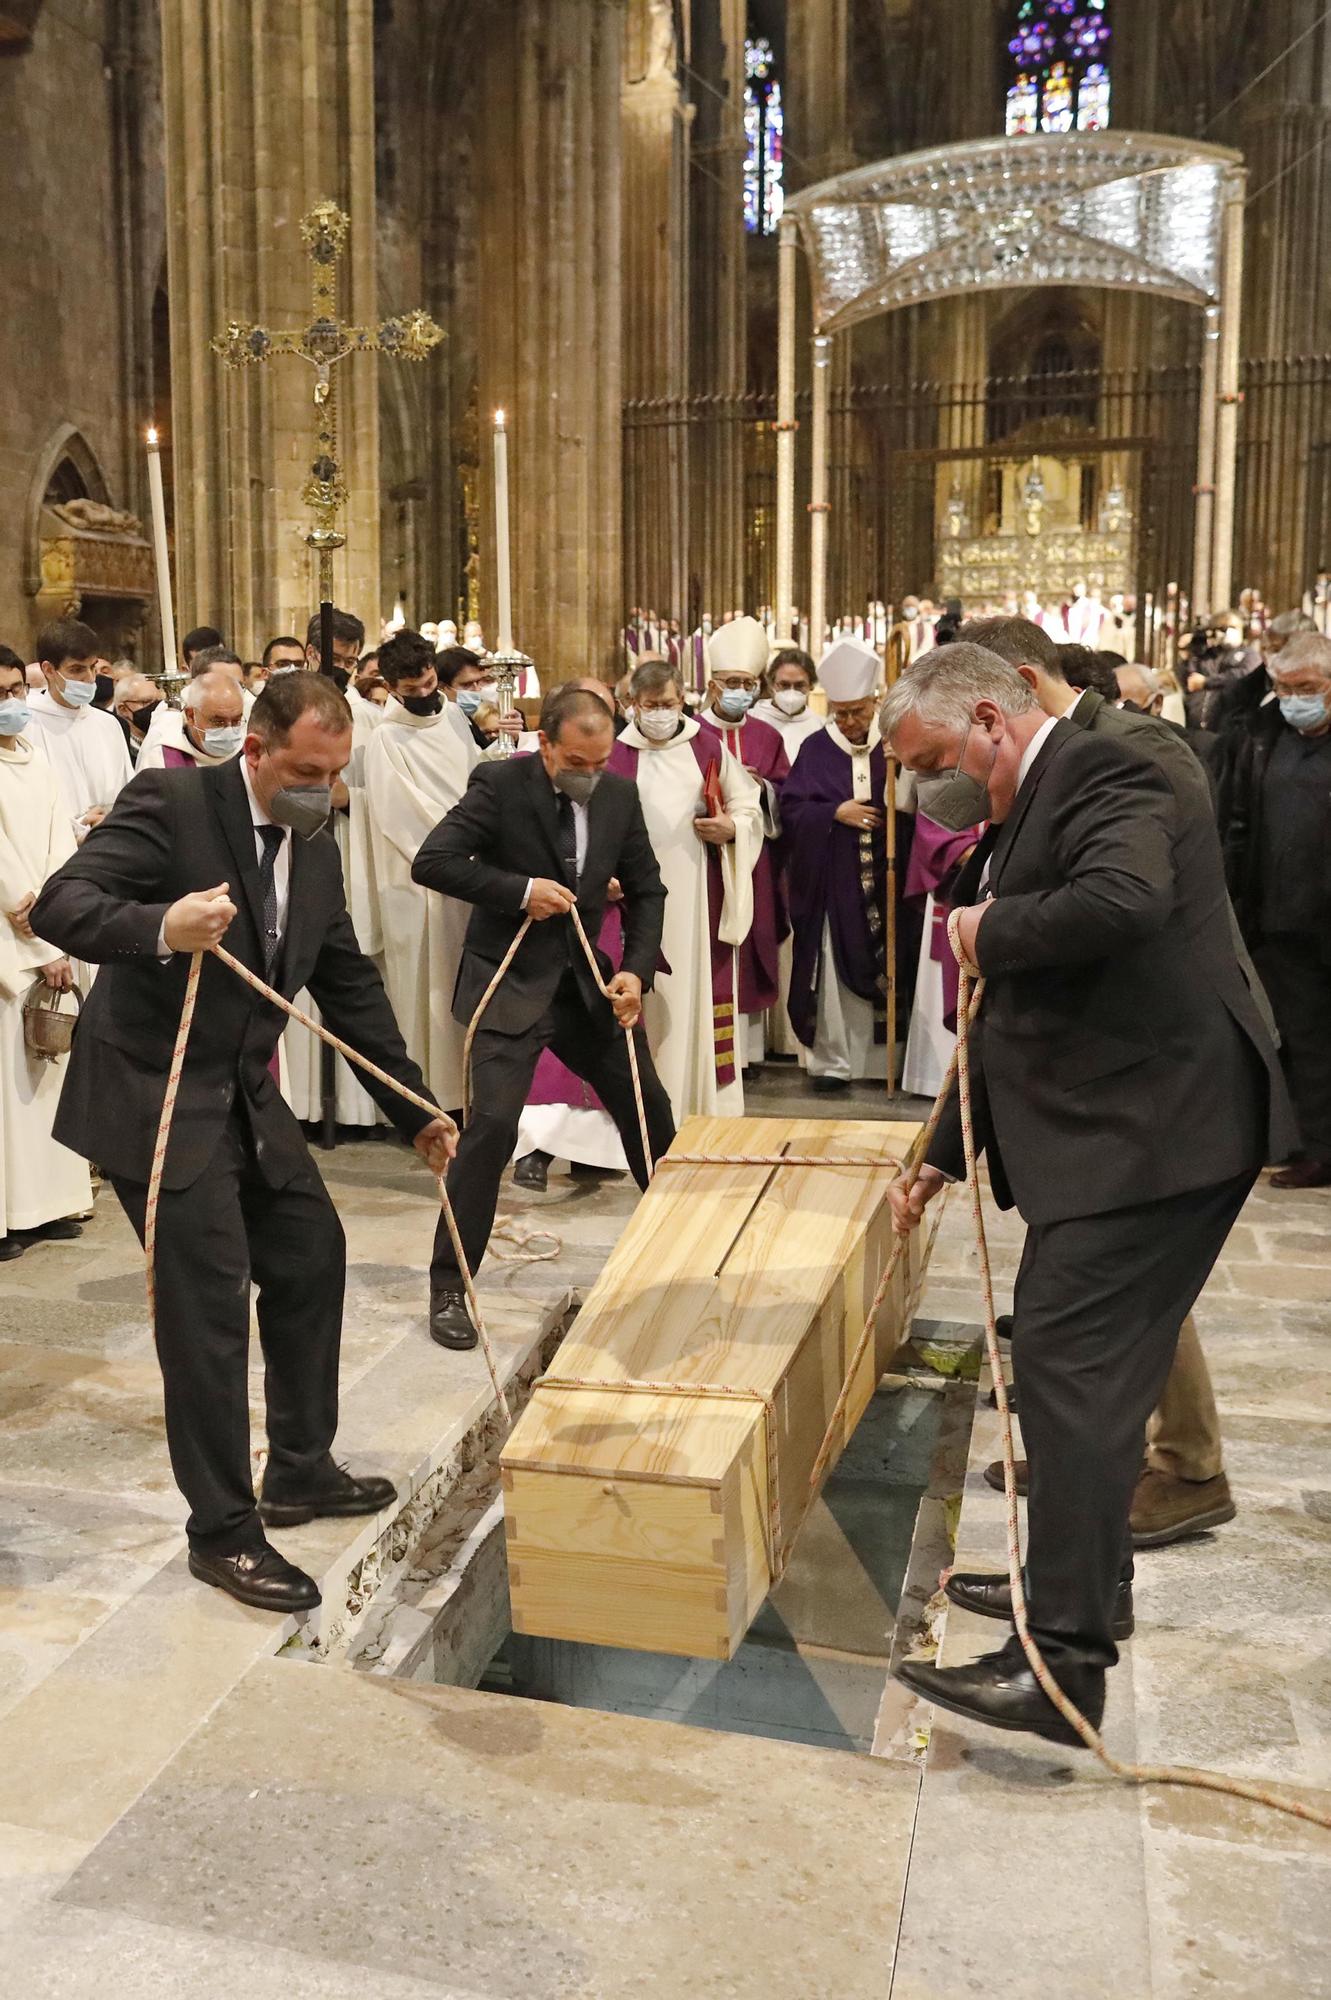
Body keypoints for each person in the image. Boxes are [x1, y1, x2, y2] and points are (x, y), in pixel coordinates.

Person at [881, 644, 1292, 1746]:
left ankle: (1057, 1669)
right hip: (1116, 1125)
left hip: (1155, 1126)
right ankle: (1077, 1591)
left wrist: (979, 927)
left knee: (1066, 1365)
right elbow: (1011, 1012)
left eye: (930, 763)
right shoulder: (1039, 781)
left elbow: (1115, 900)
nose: (930, 794)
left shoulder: (1125, 761)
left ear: (985, 717)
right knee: (1087, 1377)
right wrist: (937, 1148)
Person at [31, 673, 455, 1615]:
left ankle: (300, 1468)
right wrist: (159, 927)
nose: (321, 790)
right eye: (305, 770)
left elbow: (346, 983)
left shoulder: (315, 842)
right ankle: (221, 1533)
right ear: (254, 751)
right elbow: (60, 905)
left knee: (310, 1255)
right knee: (207, 1311)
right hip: (155, 1092)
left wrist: (413, 1106)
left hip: (240, 1095)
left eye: (335, 776)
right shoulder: (172, 801)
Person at [411, 686, 676, 1348]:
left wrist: (634, 972)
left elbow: (647, 888)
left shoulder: (618, 796)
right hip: (510, 984)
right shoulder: (499, 783)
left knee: (649, 1110)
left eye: (600, 761)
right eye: (577, 762)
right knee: (493, 1128)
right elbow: (433, 861)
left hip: (586, 986)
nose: (590, 776)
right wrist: (517, 892)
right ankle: (450, 1285)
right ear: (547, 745)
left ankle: (686, 1258)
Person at [607, 658, 763, 1121]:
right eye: (651, 705)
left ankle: (697, 1104)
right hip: (632, 902)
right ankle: (639, 1110)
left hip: (697, 895)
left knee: (694, 990)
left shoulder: (706, 745)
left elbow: (747, 805)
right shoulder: (616, 752)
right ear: (632, 703)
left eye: (670, 704)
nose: (661, 714)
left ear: (684, 700)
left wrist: (730, 827)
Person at [1222, 631, 1331, 1188]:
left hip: (1322, 919)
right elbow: (1242, 821)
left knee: (1318, 1039)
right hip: (1276, 917)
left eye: (1306, 688)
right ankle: (1306, 1143)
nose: (1294, 699)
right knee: (1294, 1035)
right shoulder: (1266, 736)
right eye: (1284, 688)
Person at [0, 653, 91, 1260]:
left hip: (48, 922)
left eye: (13, 689)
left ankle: (52, 1203)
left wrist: (57, 915)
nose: (10, 702)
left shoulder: (38, 758)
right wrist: (25, 910)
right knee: (8, 1080)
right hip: (7, 926)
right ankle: (10, 1213)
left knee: (49, 1071)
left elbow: (61, 834)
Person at [363, 629, 477, 1113]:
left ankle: (469, 1090)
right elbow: (401, 813)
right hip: (421, 879)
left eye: (430, 682)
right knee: (426, 991)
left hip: (469, 868)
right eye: (412, 691)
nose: (426, 695)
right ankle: (429, 1101)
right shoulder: (385, 739)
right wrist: (462, 841)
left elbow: (472, 775)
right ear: (392, 688)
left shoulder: (451, 714)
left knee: (463, 982)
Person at [781, 637, 894, 1092]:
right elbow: (791, 810)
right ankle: (834, 1061)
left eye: (858, 712)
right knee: (829, 966)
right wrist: (832, 813)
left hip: (885, 881)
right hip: (835, 882)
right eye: (841, 713)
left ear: (875, 703)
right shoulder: (815, 748)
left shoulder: (896, 745)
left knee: (889, 958)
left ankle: (881, 1060)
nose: (848, 722)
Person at [698, 616, 790, 1069]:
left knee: (749, 949)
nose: (740, 689)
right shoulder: (690, 732)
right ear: (713, 686)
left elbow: (784, 799)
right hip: (704, 861)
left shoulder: (767, 736)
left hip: (751, 861)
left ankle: (746, 1057)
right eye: (731, 682)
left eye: (748, 683)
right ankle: (708, 1051)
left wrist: (760, 791)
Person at [26, 618, 133, 840]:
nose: (89, 678)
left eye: (92, 667)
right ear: (49, 669)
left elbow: (128, 794)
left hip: (108, 845)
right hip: (53, 852)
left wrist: (111, 821)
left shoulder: (108, 724)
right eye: (76, 669)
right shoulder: (27, 724)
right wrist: (75, 829)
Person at [135, 667, 246, 772]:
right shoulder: (161, 756)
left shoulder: (247, 754)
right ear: (191, 716)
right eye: (218, 722)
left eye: (236, 721)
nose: (229, 731)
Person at [752, 647, 825, 755]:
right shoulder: (752, 719)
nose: (791, 691)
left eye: (799, 685)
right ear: (771, 684)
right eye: (784, 685)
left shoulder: (821, 727)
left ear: (811, 686)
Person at [110, 673, 163, 765]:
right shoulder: (115, 747)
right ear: (123, 709)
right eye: (146, 702)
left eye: (158, 701)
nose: (156, 707)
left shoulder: (169, 737)